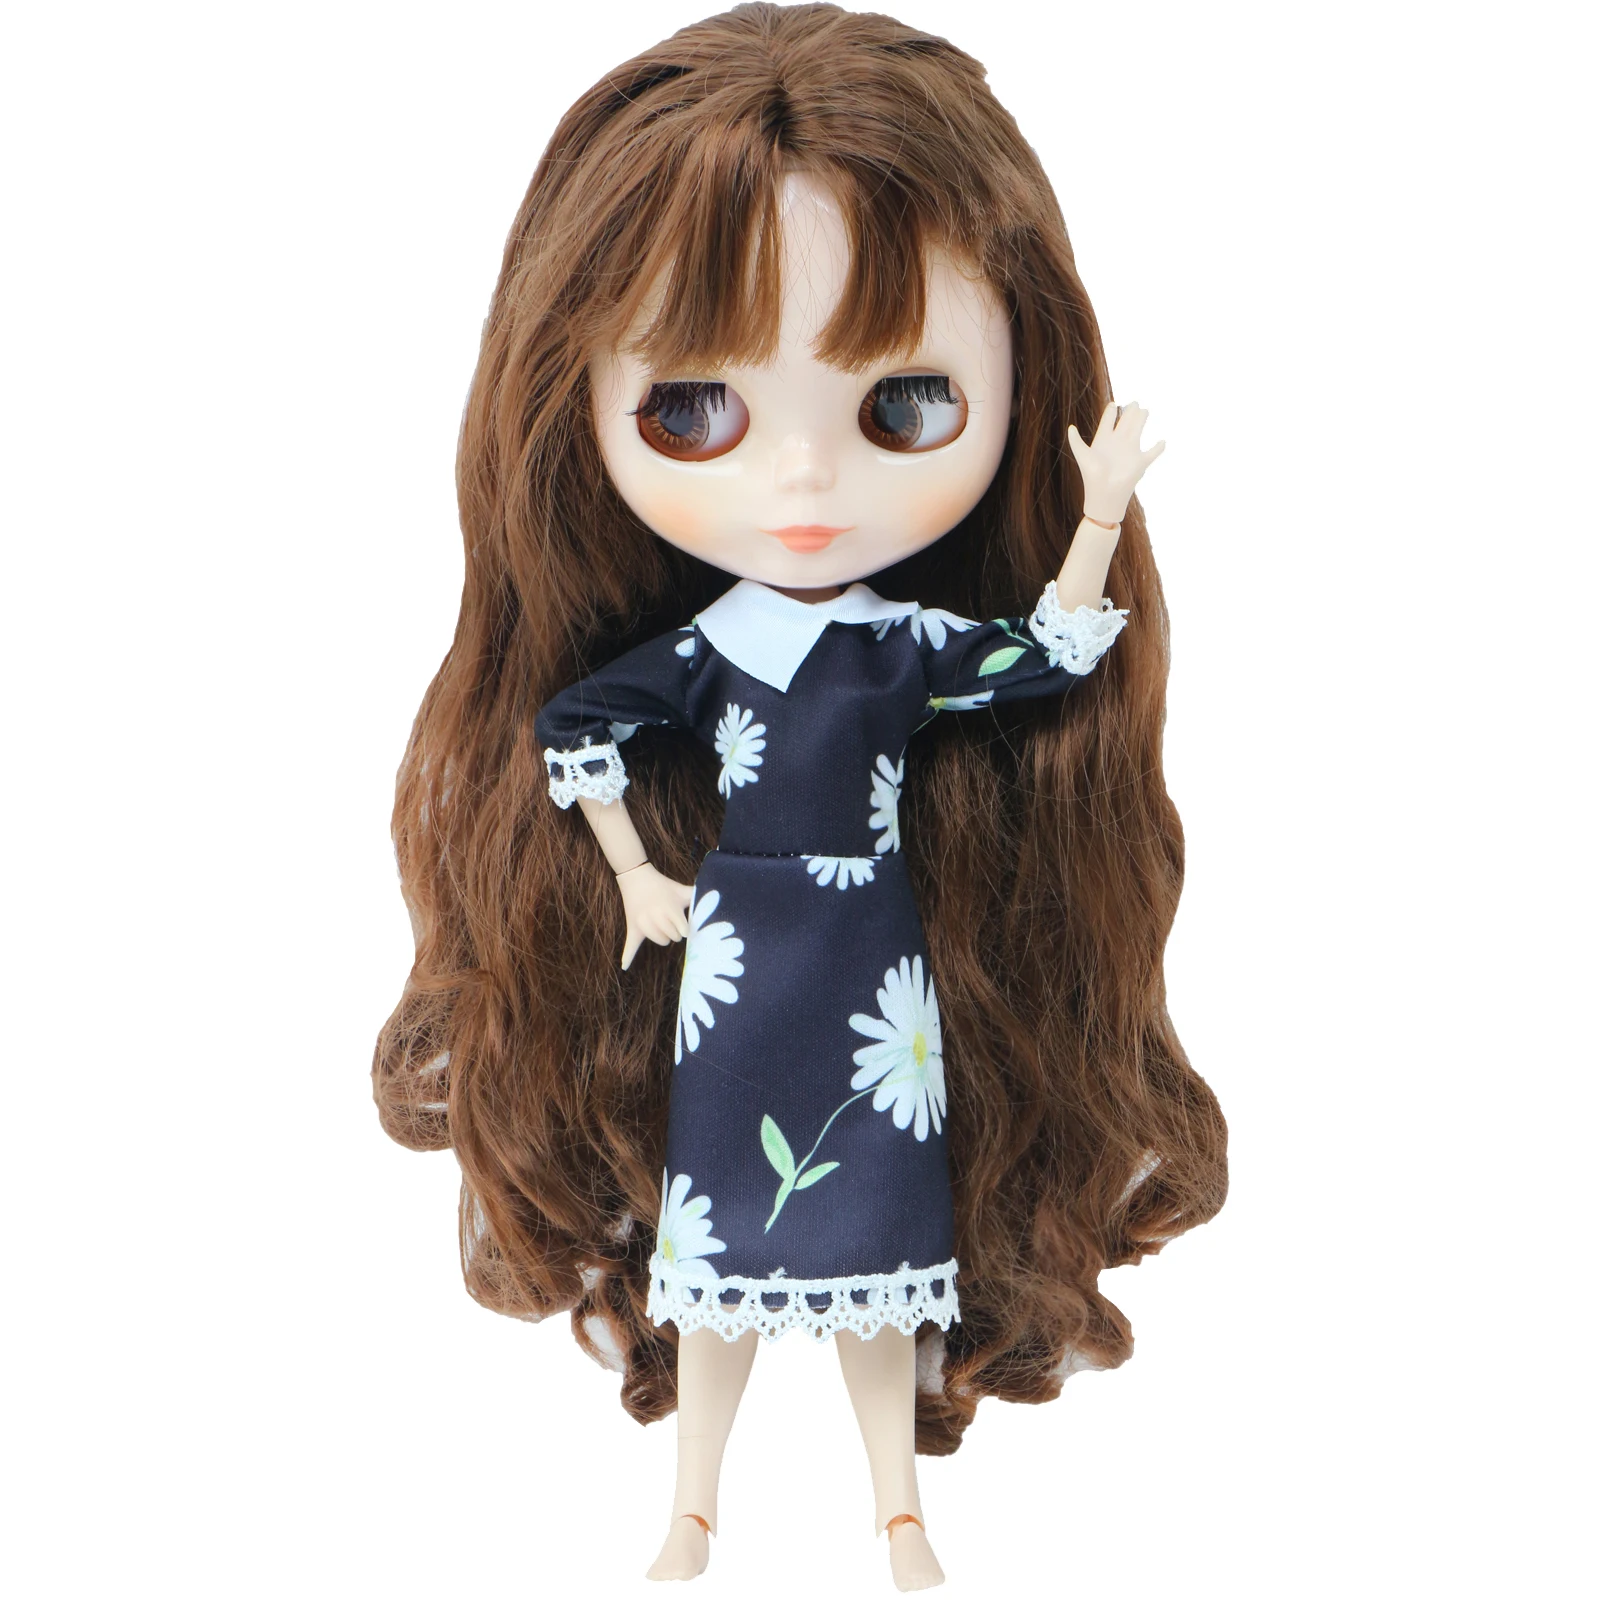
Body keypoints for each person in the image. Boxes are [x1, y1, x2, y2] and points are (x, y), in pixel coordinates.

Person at [374, 6, 1226, 1589]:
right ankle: (693, 1501)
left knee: (881, 1237)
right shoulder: (712, 652)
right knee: (712, 1245)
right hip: (740, 953)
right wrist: (636, 873)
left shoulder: (903, 649)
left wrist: (1097, 516)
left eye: (902, 405)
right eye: (694, 410)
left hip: (872, 958)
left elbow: (1046, 652)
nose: (807, 482)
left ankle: (898, 1501)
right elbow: (579, 729)